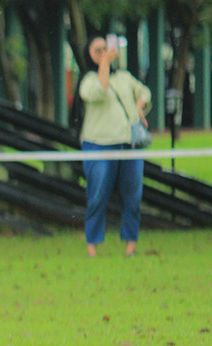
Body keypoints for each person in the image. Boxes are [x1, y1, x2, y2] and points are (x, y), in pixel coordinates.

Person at [77, 36, 151, 257]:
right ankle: (92, 248)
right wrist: (104, 65)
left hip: (128, 145)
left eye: (105, 48)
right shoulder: (88, 80)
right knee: (97, 196)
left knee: (132, 196)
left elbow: (145, 93)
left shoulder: (124, 77)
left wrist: (139, 106)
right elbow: (100, 91)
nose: (102, 52)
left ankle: (130, 247)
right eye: (97, 50)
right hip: (98, 146)